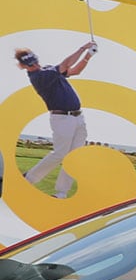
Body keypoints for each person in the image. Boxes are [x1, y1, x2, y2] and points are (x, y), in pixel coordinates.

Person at [16, 43, 96, 199]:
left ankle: (61, 193)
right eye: (31, 64)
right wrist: (82, 49)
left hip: (78, 117)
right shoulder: (39, 77)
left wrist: (88, 56)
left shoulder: (47, 70)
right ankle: (28, 179)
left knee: (74, 156)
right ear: (24, 66)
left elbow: (75, 70)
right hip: (62, 119)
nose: (35, 65)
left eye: (35, 61)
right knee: (60, 154)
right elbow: (66, 64)